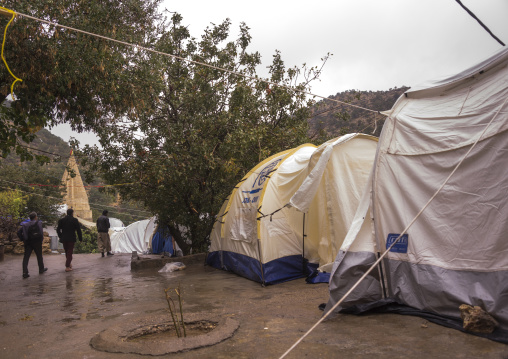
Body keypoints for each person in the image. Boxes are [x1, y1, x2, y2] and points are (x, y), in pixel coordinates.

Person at [17, 212, 47, 279]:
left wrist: (22, 239)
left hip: (28, 242)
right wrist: (41, 240)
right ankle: (41, 269)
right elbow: (41, 233)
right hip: (37, 242)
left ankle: (25, 272)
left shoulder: (25, 225)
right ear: (35, 217)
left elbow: (18, 232)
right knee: (39, 256)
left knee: (26, 257)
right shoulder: (39, 223)